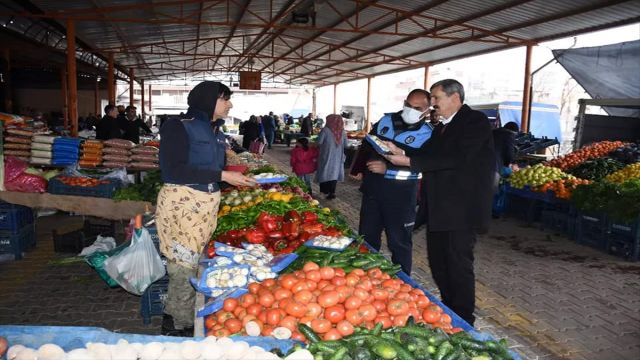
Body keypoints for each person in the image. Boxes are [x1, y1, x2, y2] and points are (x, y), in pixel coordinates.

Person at [379, 79, 495, 325]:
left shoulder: (474, 122)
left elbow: (457, 157)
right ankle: (449, 309)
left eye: (436, 99)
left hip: (461, 210)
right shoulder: (443, 127)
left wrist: (410, 162)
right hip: (440, 209)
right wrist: (403, 153)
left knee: (458, 264)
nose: (432, 105)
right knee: (439, 263)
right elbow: (429, 153)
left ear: (455, 98)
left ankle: (464, 319)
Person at [156, 81, 257, 336]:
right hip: (183, 206)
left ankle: (182, 316)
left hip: (204, 208)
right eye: (225, 99)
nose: (229, 104)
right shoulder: (177, 127)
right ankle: (177, 324)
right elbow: (173, 170)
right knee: (182, 266)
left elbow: (210, 168)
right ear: (208, 100)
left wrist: (232, 176)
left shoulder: (214, 131)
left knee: (193, 262)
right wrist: (222, 174)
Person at [351, 89, 432, 275]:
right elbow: (367, 144)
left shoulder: (428, 135)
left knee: (399, 243)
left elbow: (423, 169)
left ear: (427, 111)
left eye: (417, 108)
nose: (411, 110)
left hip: (401, 198)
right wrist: (359, 168)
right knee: (367, 239)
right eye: (408, 105)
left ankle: (402, 284)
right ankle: (365, 277)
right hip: (373, 191)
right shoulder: (385, 121)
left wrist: (389, 170)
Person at [315, 114, 347, 199]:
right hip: (337, 157)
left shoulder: (325, 130)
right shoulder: (342, 132)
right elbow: (346, 144)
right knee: (334, 174)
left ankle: (324, 191)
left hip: (326, 156)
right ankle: (332, 192)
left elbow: (319, 142)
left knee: (324, 172)